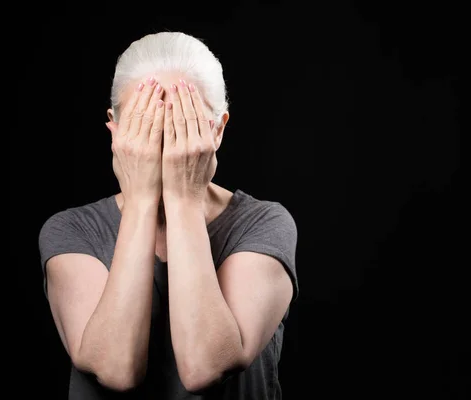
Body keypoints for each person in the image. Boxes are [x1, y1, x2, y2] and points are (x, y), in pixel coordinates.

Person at [38, 31, 299, 399]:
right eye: (146, 124)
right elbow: (116, 369)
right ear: (114, 129)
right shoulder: (71, 230)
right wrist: (142, 200)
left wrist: (184, 199)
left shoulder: (265, 224)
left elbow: (205, 368)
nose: (164, 143)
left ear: (218, 130)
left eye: (184, 125)